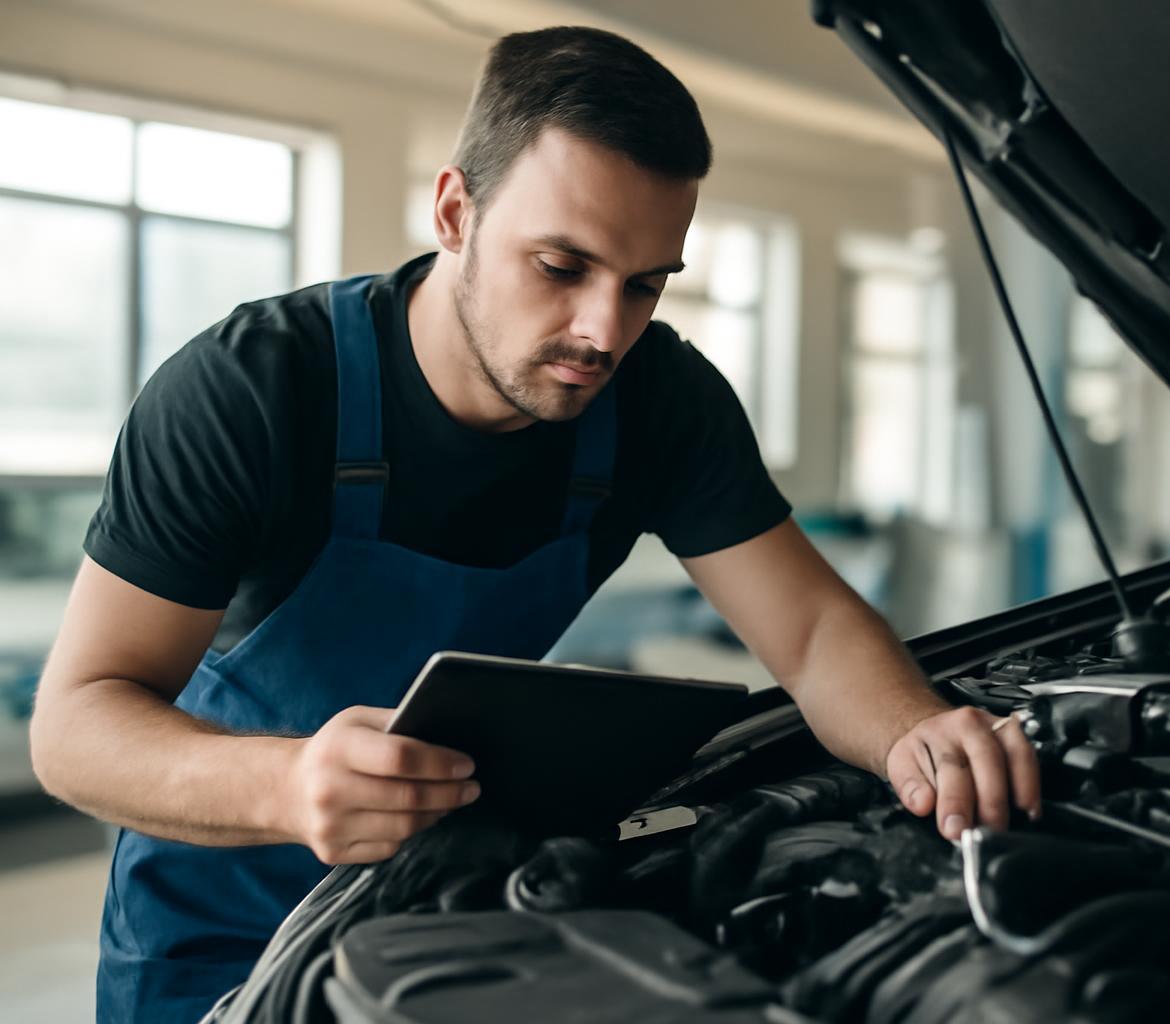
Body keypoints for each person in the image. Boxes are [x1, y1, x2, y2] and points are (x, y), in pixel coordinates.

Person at [28, 25, 1040, 1024]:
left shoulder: (659, 402)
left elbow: (813, 636)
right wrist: (288, 784)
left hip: (453, 914)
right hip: (213, 944)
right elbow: (74, 727)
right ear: (455, 211)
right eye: (562, 266)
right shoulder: (254, 390)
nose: (606, 330)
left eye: (645, 283)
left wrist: (916, 732)